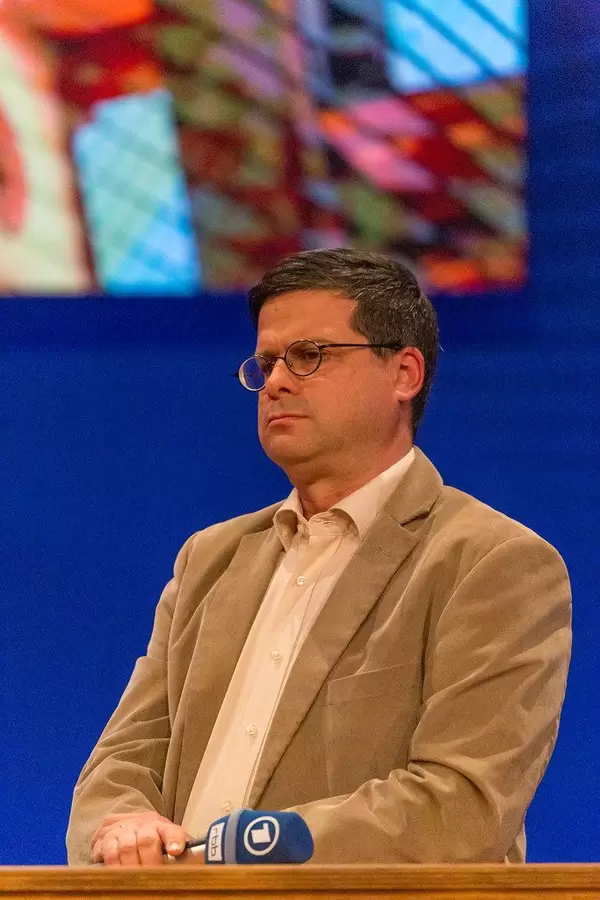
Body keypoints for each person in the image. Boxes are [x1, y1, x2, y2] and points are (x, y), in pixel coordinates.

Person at [66, 248, 571, 867]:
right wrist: (121, 823)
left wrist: (232, 853)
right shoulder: (211, 559)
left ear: (404, 373)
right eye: (268, 361)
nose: (276, 380)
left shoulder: (493, 563)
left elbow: (461, 807)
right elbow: (122, 759)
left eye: (309, 356)